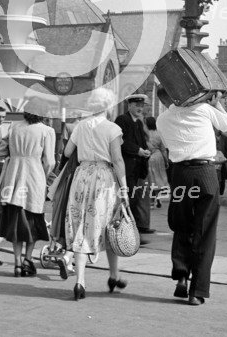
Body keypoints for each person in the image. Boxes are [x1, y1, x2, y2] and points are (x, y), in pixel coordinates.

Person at [156, 91, 227, 306]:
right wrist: (216, 103)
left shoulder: (162, 119)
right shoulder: (204, 109)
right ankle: (197, 291)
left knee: (182, 225)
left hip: (180, 174)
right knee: (205, 231)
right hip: (205, 174)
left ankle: (181, 274)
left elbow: (168, 145)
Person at [65, 88, 129, 301]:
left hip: (81, 176)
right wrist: (125, 188)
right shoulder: (113, 128)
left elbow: (66, 152)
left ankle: (81, 281)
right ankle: (113, 274)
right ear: (108, 106)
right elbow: (118, 160)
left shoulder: (80, 126)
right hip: (104, 178)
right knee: (110, 225)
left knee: (82, 226)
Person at [0, 98, 55, 277]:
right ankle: (28, 260)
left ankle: (17, 263)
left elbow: (0, 151)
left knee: (16, 222)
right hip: (34, 176)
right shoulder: (47, 131)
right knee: (32, 221)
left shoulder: (14, 127)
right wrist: (43, 175)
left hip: (14, 177)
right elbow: (50, 161)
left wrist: (14, 157)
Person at [115, 95, 153, 236]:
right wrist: (138, 151)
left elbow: (142, 142)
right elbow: (120, 141)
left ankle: (137, 227)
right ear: (129, 105)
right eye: (137, 106)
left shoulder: (138, 122)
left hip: (138, 168)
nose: (140, 108)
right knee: (127, 198)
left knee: (137, 198)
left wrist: (146, 151)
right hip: (127, 167)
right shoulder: (122, 120)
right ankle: (125, 230)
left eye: (142, 106)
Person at [144, 114, 169, 208]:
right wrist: (166, 160)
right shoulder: (159, 134)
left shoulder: (145, 134)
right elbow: (163, 149)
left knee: (151, 179)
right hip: (159, 157)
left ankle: (151, 201)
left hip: (149, 157)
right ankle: (158, 198)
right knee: (158, 178)